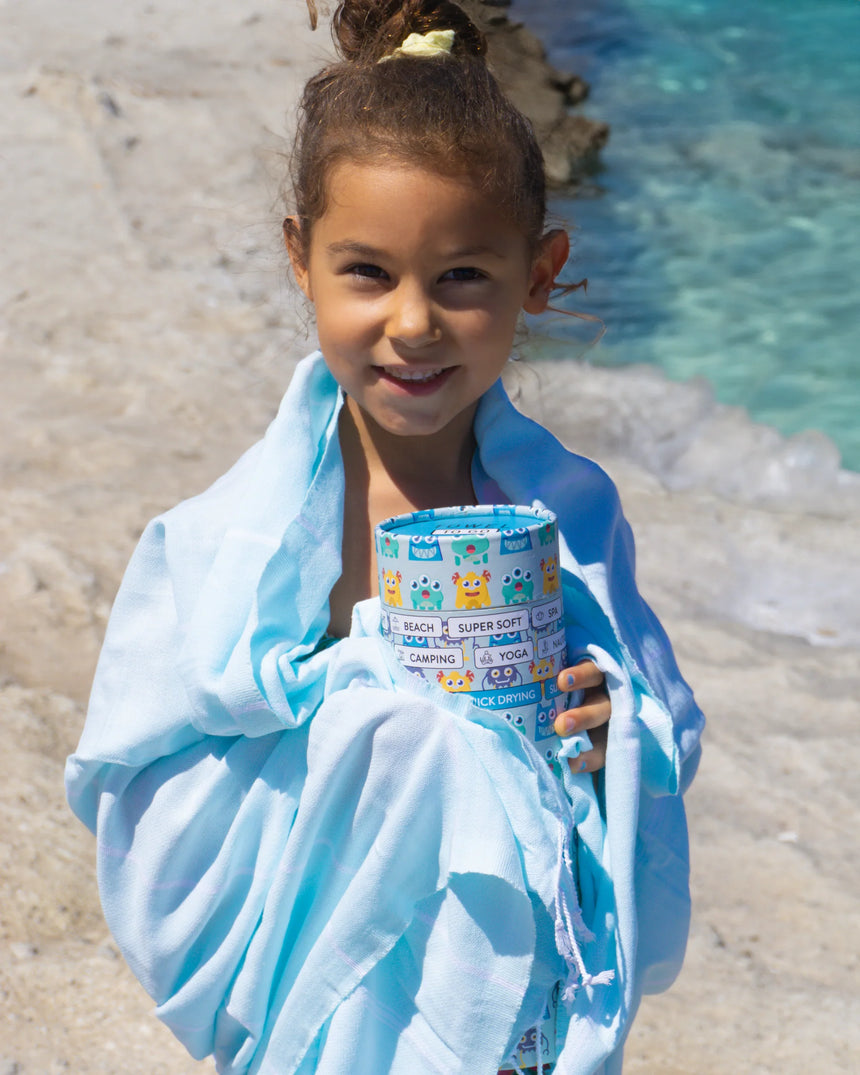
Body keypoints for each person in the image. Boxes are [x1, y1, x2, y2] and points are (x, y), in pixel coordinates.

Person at [65, 2, 704, 1072]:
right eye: (367, 272)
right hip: (315, 991)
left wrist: (609, 730)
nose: (412, 323)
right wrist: (374, 724)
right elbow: (138, 766)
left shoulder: (569, 511)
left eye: (461, 276)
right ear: (299, 262)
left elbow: (655, 726)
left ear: (536, 274)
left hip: (505, 992)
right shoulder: (226, 540)